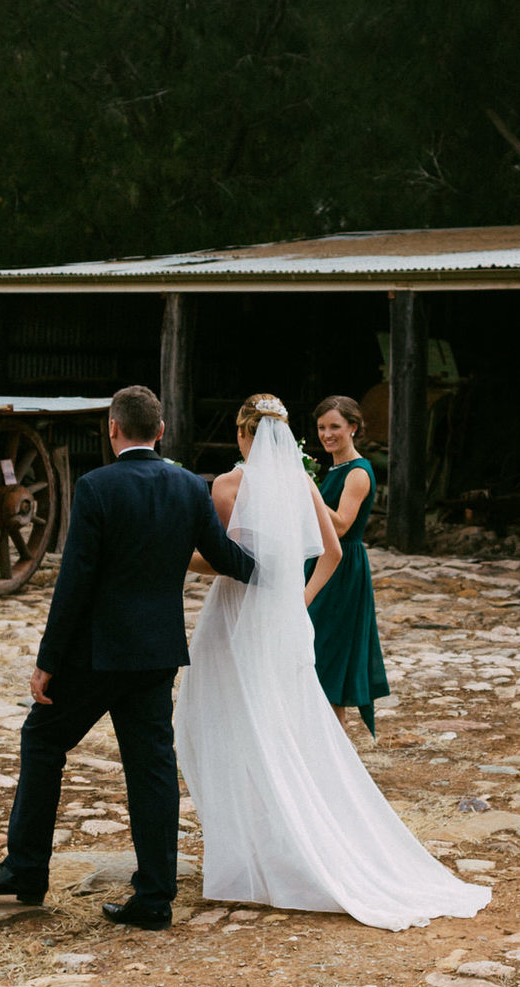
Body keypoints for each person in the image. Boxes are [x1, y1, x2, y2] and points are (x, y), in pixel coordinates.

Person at [173, 395, 488, 930]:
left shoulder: (226, 487)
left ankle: (249, 851)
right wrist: (297, 600)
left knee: (217, 724)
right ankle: (284, 842)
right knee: (285, 725)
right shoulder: (300, 482)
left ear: (242, 433)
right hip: (283, 620)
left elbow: (225, 562)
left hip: (232, 618)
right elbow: (333, 553)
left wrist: (176, 553)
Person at [0, 385, 257, 931]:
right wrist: (275, 567)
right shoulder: (190, 486)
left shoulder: (96, 487)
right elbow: (225, 557)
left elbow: (75, 582)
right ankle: (156, 898)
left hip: (97, 655)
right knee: (152, 771)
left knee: (43, 740)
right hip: (157, 654)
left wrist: (48, 660)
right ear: (160, 431)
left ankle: (24, 870)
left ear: (113, 428)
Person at [307, 394, 389, 736]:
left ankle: (335, 754)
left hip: (342, 570)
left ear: (353, 428)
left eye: (335, 427)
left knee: (328, 657)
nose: (327, 434)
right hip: (321, 564)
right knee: (315, 654)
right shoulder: (336, 468)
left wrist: (306, 488)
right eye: (322, 427)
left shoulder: (357, 472)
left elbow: (340, 525)